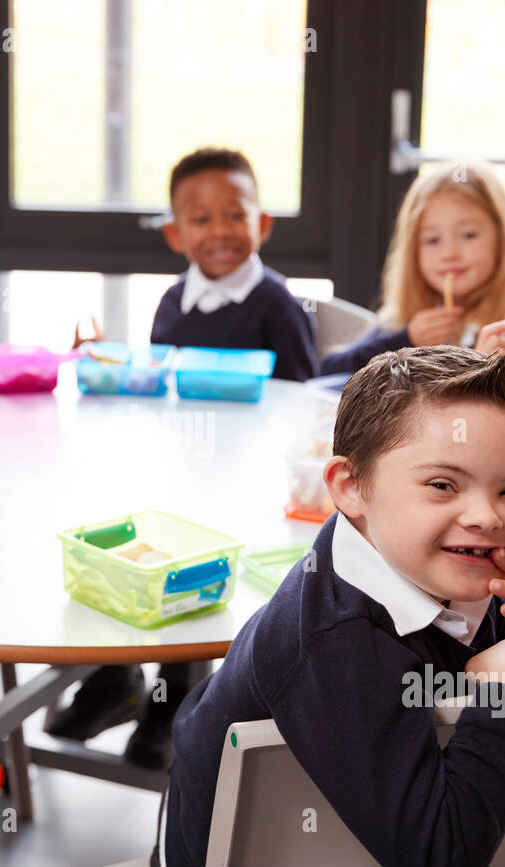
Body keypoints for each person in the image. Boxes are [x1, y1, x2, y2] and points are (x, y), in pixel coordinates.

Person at [166, 346, 505, 865]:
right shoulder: (335, 641)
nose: (485, 516)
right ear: (351, 488)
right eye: (442, 485)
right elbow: (442, 856)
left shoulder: (452, 576)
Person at [50, 147, 320, 768]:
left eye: (235, 214)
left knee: (192, 579)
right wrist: (105, 360)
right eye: (200, 220)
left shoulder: (277, 304)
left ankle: (171, 707)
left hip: (244, 478)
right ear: (175, 234)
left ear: (263, 223)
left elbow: (300, 403)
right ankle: (113, 681)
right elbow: (158, 382)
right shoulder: (173, 302)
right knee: (125, 550)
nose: (220, 230)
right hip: (181, 465)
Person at [322, 158, 505, 376]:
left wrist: (494, 372)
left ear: (503, 240)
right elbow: (329, 373)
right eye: (432, 240)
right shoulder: (399, 324)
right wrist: (405, 341)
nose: (450, 253)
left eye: (468, 235)